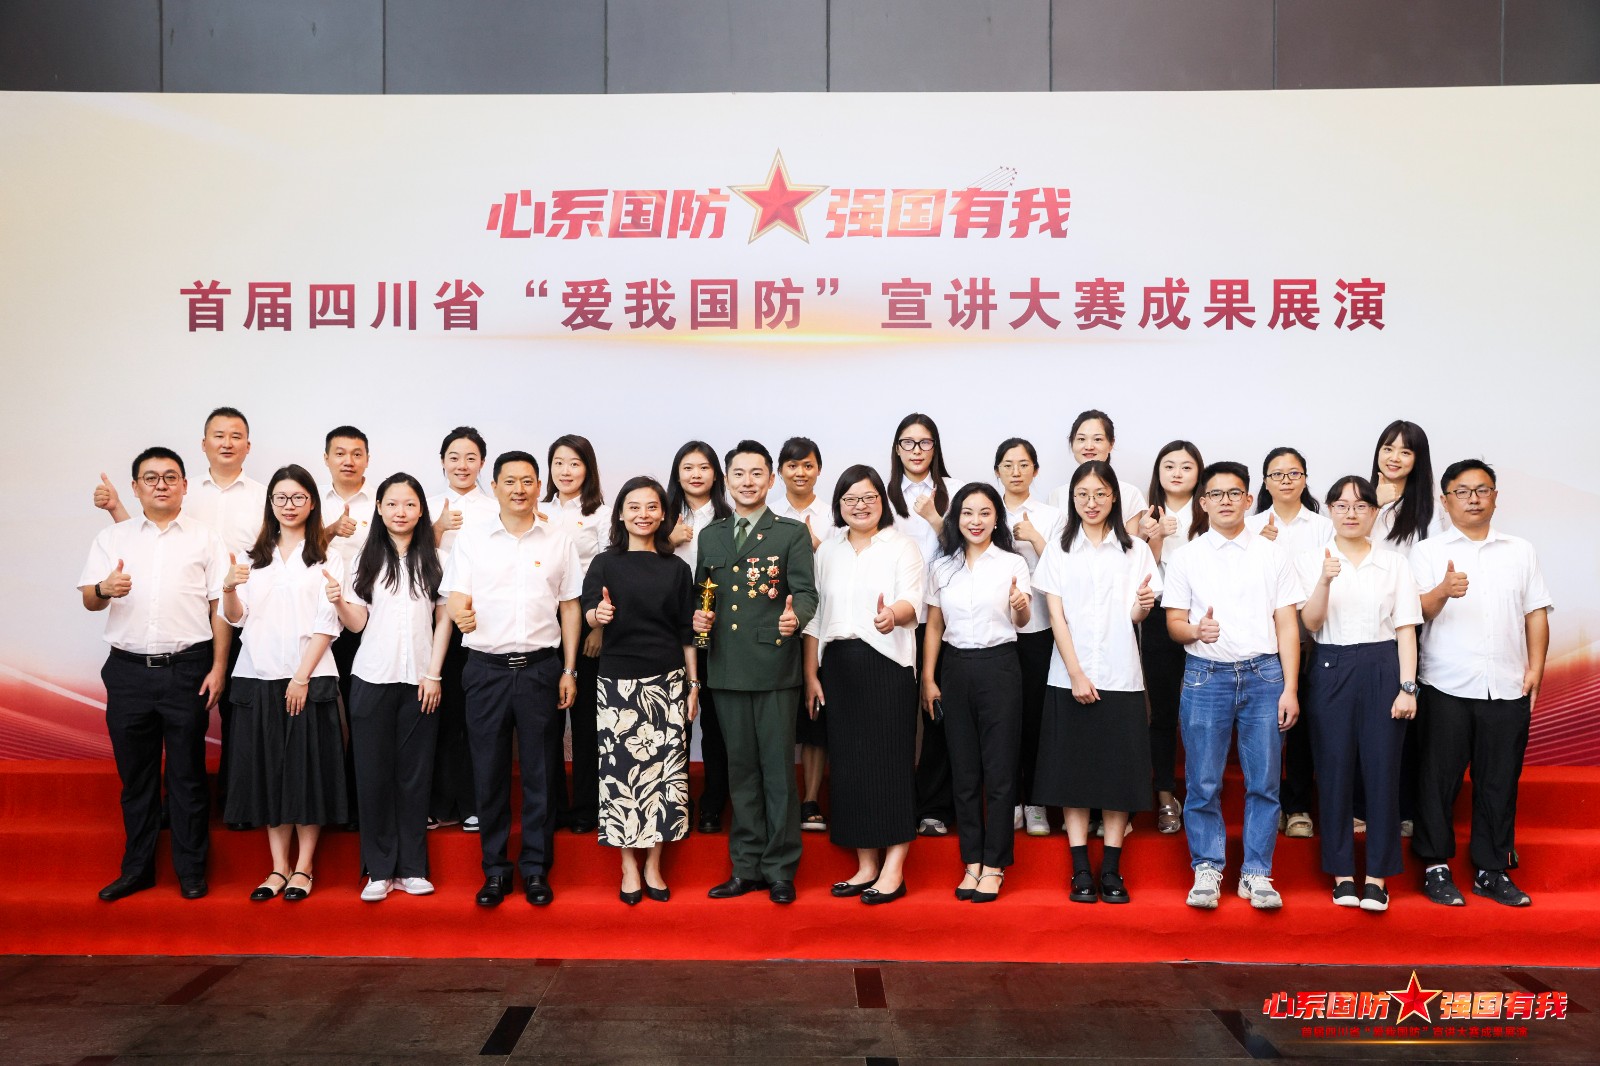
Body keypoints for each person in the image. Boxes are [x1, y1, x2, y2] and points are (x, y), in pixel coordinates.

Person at [93, 406, 267, 827]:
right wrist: (117, 509)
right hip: (193, 623)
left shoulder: (264, 496)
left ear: (248, 445)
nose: (227, 442)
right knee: (181, 724)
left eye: (236, 435)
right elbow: (149, 544)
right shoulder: (184, 490)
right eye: (218, 435)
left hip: (249, 615)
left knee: (239, 714)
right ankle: (174, 812)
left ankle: (234, 804)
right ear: (203, 443)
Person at [78, 447, 229, 902]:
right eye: (150, 477)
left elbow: (220, 608)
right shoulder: (113, 538)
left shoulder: (206, 539)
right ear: (136, 487)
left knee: (187, 776)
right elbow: (90, 599)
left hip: (187, 670)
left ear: (184, 485)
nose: (161, 484)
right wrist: (105, 588)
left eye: (169, 476)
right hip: (127, 673)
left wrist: (219, 667)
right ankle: (137, 870)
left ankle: (191, 871)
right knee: (136, 778)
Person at [1409, 460, 1552, 908]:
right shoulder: (1427, 551)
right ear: (1445, 500)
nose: (1473, 499)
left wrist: (1535, 668)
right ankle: (1435, 866)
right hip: (1444, 684)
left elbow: (1535, 611)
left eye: (1482, 490)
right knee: (1437, 781)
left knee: (1499, 781)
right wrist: (1442, 591)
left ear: (1495, 496)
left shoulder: (1520, 550)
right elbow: (1414, 614)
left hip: (1506, 685)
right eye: (1462, 491)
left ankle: (1492, 869)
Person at [443, 451, 582, 908]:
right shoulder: (473, 538)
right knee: (489, 775)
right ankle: (495, 871)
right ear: (495, 486)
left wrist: (569, 669)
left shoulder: (558, 539)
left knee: (541, 774)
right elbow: (456, 595)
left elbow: (569, 606)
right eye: (510, 481)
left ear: (539, 486)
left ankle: (537, 870)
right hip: (486, 670)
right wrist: (460, 613)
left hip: (541, 669)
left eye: (527, 481)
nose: (519, 489)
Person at [1164, 461, 1303, 910]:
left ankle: (1257, 873)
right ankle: (1207, 867)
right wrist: (1195, 631)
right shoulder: (1186, 557)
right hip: (1206, 677)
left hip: (1265, 677)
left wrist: (1290, 688)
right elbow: (1174, 623)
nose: (1225, 501)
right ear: (1203, 503)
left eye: (1234, 493)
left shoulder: (1272, 554)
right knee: (1203, 781)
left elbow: (1287, 623)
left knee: (1264, 782)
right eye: (1216, 494)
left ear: (1248, 500)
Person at [692, 440, 818, 905]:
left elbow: (807, 594)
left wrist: (795, 617)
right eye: (739, 474)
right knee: (741, 771)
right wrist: (698, 617)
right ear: (727, 480)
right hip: (725, 667)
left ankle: (780, 869)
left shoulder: (790, 533)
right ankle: (745, 867)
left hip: (773, 666)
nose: (747, 482)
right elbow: (704, 593)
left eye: (756, 473)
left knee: (777, 772)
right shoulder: (712, 535)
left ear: (771, 479)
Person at [1032, 460, 1160, 903]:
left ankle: (1111, 870)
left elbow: (1134, 616)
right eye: (1083, 494)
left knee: (1117, 777)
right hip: (1068, 675)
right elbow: (1056, 617)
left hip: (1122, 675)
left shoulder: (1136, 550)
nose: (1092, 502)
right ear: (1072, 498)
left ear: (1114, 497)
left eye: (1101, 494)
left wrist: (1144, 604)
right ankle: (1080, 870)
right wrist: (1076, 674)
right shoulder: (1058, 549)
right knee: (1074, 776)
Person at [220, 464, 348, 902]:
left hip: (309, 678)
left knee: (306, 774)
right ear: (270, 503)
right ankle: (278, 868)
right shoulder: (251, 557)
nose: (289, 505)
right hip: (258, 676)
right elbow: (236, 619)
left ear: (312, 503)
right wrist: (229, 589)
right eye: (281, 498)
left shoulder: (328, 556)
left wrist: (300, 677)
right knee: (270, 774)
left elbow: (328, 623)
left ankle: (304, 867)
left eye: (297, 497)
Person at [1296, 476, 1421, 912]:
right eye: (1342, 505)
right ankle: (1342, 875)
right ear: (1329, 510)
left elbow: (1406, 629)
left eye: (1360, 505)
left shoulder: (1394, 564)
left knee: (1383, 772)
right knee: (1333, 772)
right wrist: (1324, 581)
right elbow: (1311, 624)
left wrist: (1408, 687)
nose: (1351, 513)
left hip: (1383, 666)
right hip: (1330, 665)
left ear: (1374, 512)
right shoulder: (1312, 560)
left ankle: (1378, 878)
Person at [802, 465, 925, 904]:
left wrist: (892, 615)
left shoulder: (902, 546)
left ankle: (894, 869)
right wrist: (811, 674)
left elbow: (912, 602)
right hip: (837, 666)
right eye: (850, 499)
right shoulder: (828, 551)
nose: (860, 505)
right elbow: (815, 616)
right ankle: (866, 866)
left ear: (881, 501)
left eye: (869, 497)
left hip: (887, 665)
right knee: (850, 767)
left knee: (890, 764)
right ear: (839, 505)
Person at [330, 472, 450, 902]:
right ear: (379, 509)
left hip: (421, 681)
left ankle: (412, 868)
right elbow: (357, 624)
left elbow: (444, 621)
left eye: (410, 504)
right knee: (373, 775)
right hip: (371, 678)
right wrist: (337, 600)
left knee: (414, 777)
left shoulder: (437, 559)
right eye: (393, 504)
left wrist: (433, 674)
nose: (401, 511)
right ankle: (379, 871)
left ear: (421, 511)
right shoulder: (363, 560)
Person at [581, 476, 699, 904]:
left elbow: (687, 632)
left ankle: (653, 864)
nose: (643, 514)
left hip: (668, 681)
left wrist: (693, 685)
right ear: (621, 514)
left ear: (663, 514)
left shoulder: (677, 568)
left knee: (665, 777)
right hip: (617, 684)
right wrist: (599, 614)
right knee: (621, 777)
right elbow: (588, 611)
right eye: (634, 507)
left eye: (651, 507)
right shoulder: (604, 563)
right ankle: (628, 865)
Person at [921, 483, 1032, 904]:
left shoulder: (1013, 563)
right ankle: (972, 861)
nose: (976, 520)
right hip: (955, 668)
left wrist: (1020, 605)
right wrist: (928, 678)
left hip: (1000, 666)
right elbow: (934, 625)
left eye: (985, 512)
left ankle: (995, 864)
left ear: (996, 518)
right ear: (956, 518)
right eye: (968, 512)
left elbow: (1022, 621)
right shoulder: (942, 566)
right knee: (964, 771)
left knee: (999, 771)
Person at [1247, 447, 1333, 841]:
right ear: (1265, 482)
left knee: (1300, 725)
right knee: (1264, 728)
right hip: (1259, 639)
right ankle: (1265, 807)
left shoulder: (1322, 527)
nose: (1285, 480)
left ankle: (1297, 806)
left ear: (1305, 479)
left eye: (1293, 473)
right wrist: (1256, 547)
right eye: (1277, 474)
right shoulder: (1248, 525)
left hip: (1308, 636)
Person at [885, 413, 959, 839]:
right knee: (895, 717)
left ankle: (934, 807)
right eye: (908, 443)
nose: (916, 450)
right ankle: (896, 805)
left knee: (938, 716)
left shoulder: (955, 491)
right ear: (897, 449)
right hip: (895, 620)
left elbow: (966, 547)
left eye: (924, 442)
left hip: (943, 621)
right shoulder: (881, 494)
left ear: (936, 447)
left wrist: (934, 517)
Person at [426, 426, 497, 834]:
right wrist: (436, 529)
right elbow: (412, 563)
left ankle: (473, 803)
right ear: (442, 462)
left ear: (482, 463)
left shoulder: (495, 508)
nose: (462, 465)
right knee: (439, 713)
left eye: (471, 458)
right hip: (434, 621)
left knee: (475, 717)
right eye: (454, 457)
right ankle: (439, 803)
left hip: (480, 622)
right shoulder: (424, 505)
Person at [542, 434, 610, 836]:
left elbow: (608, 572)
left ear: (588, 468)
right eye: (558, 463)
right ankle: (553, 807)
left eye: (574, 463)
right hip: (543, 621)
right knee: (546, 720)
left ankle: (587, 807)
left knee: (586, 721)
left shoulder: (602, 514)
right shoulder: (537, 510)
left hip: (588, 620)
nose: (565, 471)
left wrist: (597, 628)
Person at [994, 437, 1060, 838]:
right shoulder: (986, 510)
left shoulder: (1051, 516)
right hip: (995, 631)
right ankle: (1008, 802)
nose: (1015, 472)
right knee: (1002, 720)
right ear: (997, 471)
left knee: (1035, 717)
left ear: (1035, 470)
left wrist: (1035, 537)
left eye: (1023, 464)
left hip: (1038, 628)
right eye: (1007, 464)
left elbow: (1066, 570)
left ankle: (1035, 802)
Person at [666, 440, 733, 834]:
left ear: (716, 475)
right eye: (688, 467)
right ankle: (676, 803)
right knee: (675, 721)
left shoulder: (730, 516)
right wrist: (668, 541)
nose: (695, 474)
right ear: (677, 474)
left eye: (704, 467)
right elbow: (637, 559)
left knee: (717, 722)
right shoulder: (661, 515)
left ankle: (713, 803)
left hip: (717, 625)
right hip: (669, 626)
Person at [770, 436, 834, 833]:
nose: (800, 472)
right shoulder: (768, 514)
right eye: (792, 465)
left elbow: (841, 567)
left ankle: (810, 799)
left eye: (807, 465)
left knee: (814, 720)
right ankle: (780, 801)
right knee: (778, 720)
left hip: (821, 627)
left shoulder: (833, 515)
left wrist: (816, 546)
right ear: (780, 472)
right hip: (774, 630)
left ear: (818, 470)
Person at [1142, 440, 1206, 834]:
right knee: (1163, 710)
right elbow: (1140, 573)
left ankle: (1202, 796)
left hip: (1204, 618)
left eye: (1186, 466)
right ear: (1158, 472)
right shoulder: (1145, 515)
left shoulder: (1211, 511)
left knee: (1203, 714)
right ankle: (1165, 794)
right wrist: (1157, 537)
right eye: (1169, 466)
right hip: (1158, 615)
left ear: (1199, 473)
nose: (1177, 473)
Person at [322, 426, 377, 713]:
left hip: (365, 614)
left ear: (367, 459)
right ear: (326, 458)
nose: (348, 461)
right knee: (317, 696)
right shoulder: (312, 500)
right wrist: (330, 531)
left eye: (357, 454)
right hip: (318, 612)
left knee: (360, 700)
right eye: (340, 453)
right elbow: (298, 551)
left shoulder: (382, 502)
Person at [1044, 410, 1149, 537]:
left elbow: (1133, 545)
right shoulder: (1056, 495)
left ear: (1111, 444)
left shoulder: (1130, 493)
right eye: (1081, 439)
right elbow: (1052, 545)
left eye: (1097, 439)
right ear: (1072, 443)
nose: (1089, 446)